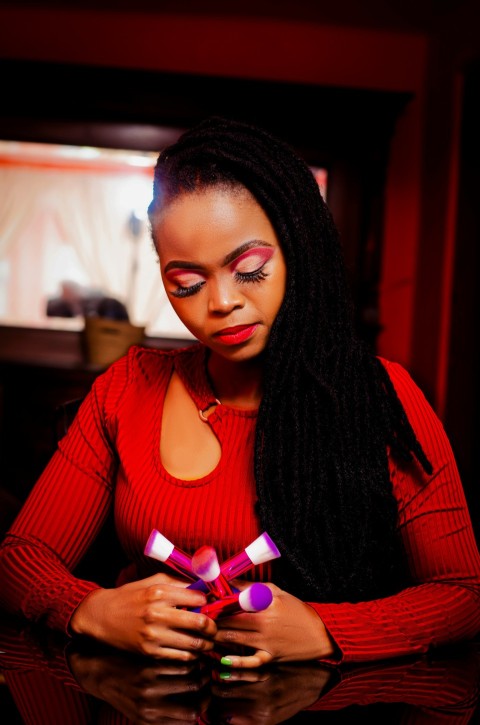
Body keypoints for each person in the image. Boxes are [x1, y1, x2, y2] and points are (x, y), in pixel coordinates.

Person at [0, 117, 479, 668]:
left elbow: (464, 594)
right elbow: (20, 559)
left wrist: (326, 629)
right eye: (187, 283)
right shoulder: (127, 389)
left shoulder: (380, 398)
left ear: (299, 249)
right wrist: (93, 610)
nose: (220, 302)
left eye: (249, 269)